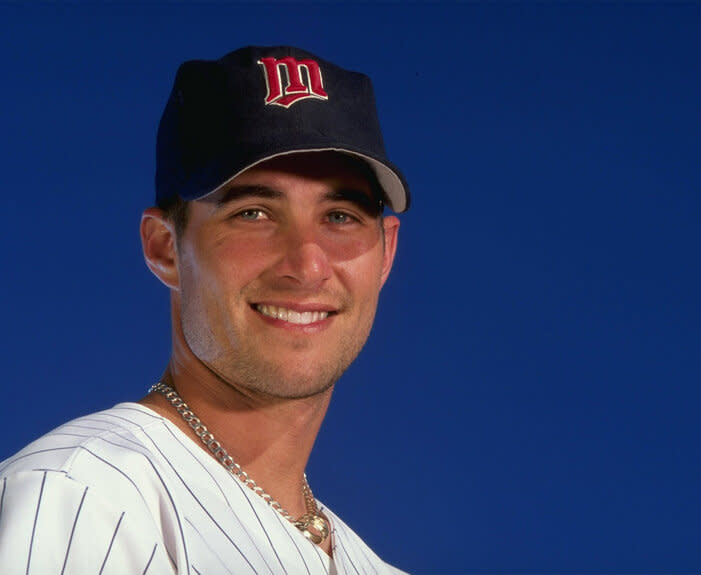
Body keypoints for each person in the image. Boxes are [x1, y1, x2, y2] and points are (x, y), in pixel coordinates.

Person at [0, 45, 410, 574]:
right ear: (165, 248)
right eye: (254, 212)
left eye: (340, 216)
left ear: (386, 253)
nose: (308, 265)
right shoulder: (78, 500)